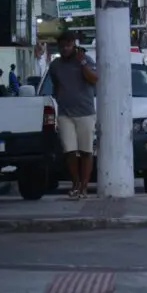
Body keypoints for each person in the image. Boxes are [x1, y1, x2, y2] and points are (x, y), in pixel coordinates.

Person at [48, 32, 99, 199]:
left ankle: (84, 187)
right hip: (65, 113)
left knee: (86, 151)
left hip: (85, 112)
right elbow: (55, 84)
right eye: (62, 46)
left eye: (69, 45)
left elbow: (94, 79)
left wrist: (82, 62)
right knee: (69, 151)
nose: (65, 49)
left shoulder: (85, 60)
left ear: (74, 45)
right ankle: (75, 184)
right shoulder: (55, 65)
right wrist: (60, 97)